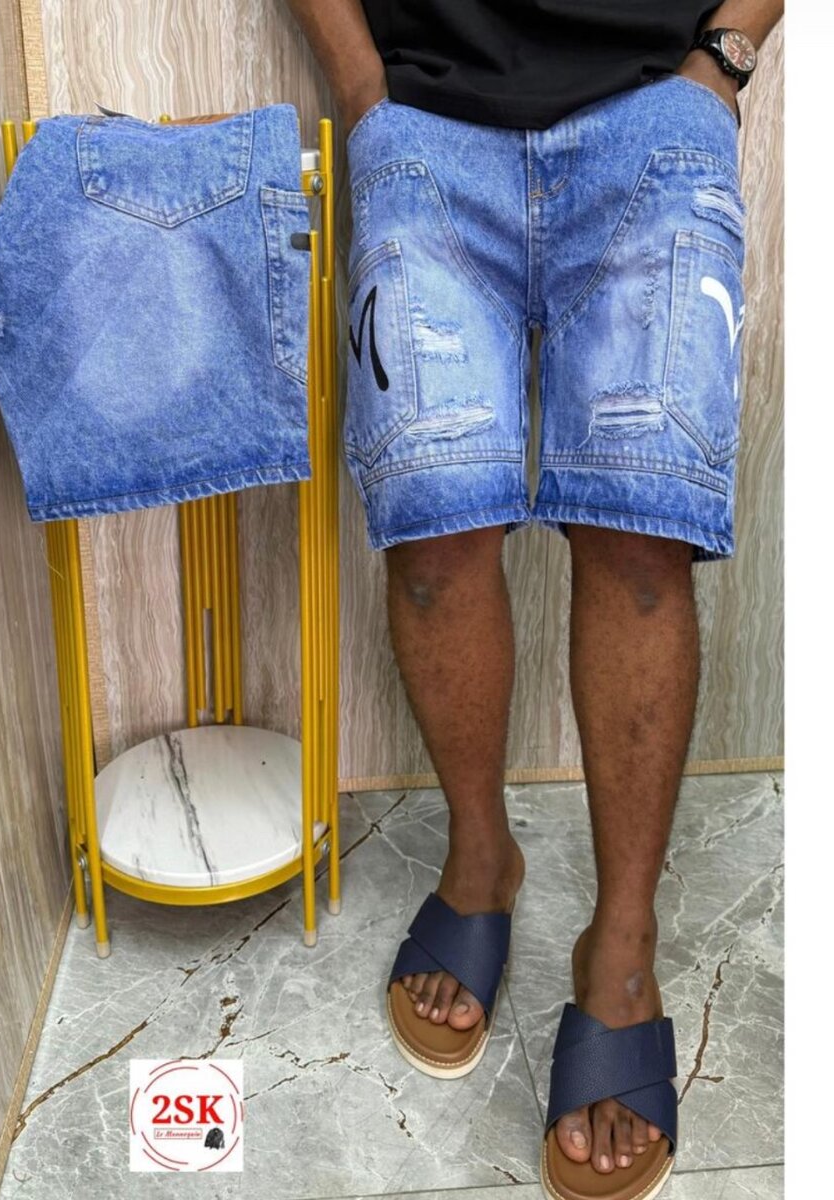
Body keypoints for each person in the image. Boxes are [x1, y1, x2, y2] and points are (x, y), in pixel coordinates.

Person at [284, 3, 783, 1198]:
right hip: (422, 129)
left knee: (641, 536)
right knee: (431, 528)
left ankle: (622, 944)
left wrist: (721, 59)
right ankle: (479, 859)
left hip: (652, 122)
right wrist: (363, 97)